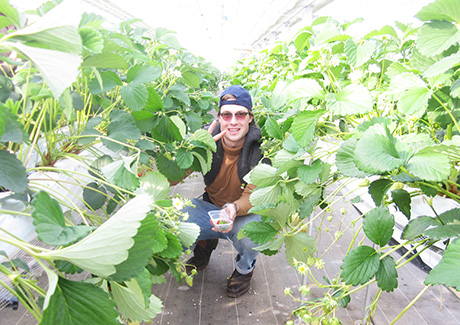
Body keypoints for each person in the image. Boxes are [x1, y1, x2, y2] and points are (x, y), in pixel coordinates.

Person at [181, 85, 267, 298]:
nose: (233, 121)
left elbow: (253, 195)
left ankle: (244, 269)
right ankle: (204, 244)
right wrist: (194, 149)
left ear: (250, 118)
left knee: (254, 234)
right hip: (210, 206)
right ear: (219, 118)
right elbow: (173, 178)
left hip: (241, 212)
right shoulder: (207, 140)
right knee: (176, 219)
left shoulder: (262, 149)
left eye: (240, 114)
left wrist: (234, 208)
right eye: (227, 115)